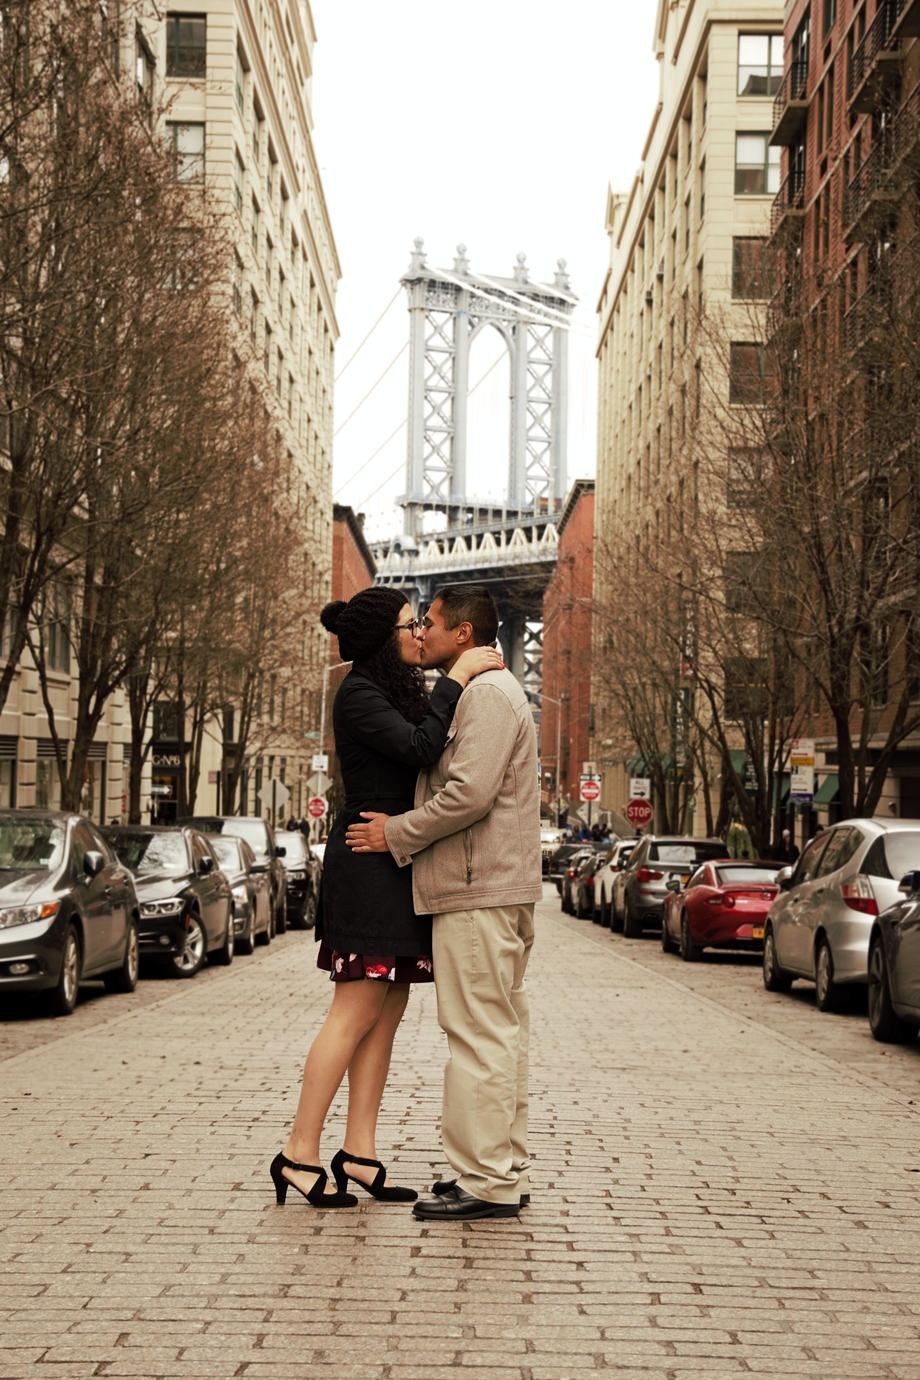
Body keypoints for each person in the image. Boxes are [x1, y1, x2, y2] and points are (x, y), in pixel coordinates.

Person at [270, 587, 502, 1210]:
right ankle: (298, 1153)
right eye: (409, 624)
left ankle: (360, 1152)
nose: (418, 632)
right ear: (382, 637)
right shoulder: (357, 693)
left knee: (387, 1013)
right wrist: (458, 674)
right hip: (368, 865)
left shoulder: (397, 689)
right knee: (353, 1011)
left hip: (399, 861)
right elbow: (422, 748)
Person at [347, 584, 542, 1221]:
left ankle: (484, 1181)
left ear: (462, 635)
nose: (420, 633)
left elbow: (468, 796)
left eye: (428, 622)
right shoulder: (489, 690)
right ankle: (501, 1170)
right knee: (499, 1032)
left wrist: (394, 833)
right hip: (487, 886)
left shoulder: (484, 696)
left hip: (476, 889)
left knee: (477, 1034)